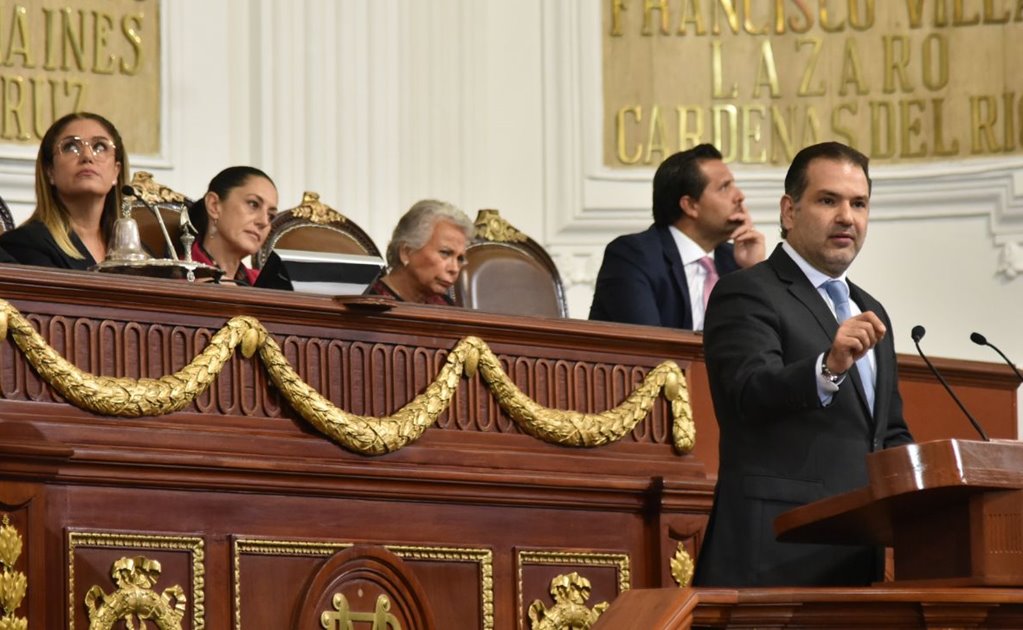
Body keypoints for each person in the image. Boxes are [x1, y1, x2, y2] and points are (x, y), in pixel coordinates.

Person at [693, 142, 914, 587]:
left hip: (855, 562)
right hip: (774, 557)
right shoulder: (748, 292)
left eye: (859, 203)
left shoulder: (871, 310)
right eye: (828, 200)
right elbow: (747, 393)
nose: (847, 217)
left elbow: (886, 432)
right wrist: (827, 367)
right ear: (789, 211)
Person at [588, 144, 765, 330]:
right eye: (724, 187)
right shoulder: (633, 257)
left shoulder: (735, 262)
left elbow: (766, 342)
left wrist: (754, 271)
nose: (740, 196)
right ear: (689, 206)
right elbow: (647, 348)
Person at [0, 112, 128, 268]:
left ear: (116, 171)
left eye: (100, 146)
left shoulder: (138, 253)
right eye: (70, 147)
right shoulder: (23, 244)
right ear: (50, 171)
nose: (87, 156)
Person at [368, 199, 473, 305]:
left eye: (460, 258)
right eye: (445, 253)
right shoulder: (366, 304)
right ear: (406, 252)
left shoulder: (446, 307)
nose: (454, 269)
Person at [188, 166, 278, 286]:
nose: (264, 222)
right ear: (214, 205)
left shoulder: (264, 285)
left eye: (271, 216)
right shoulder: (178, 275)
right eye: (253, 204)